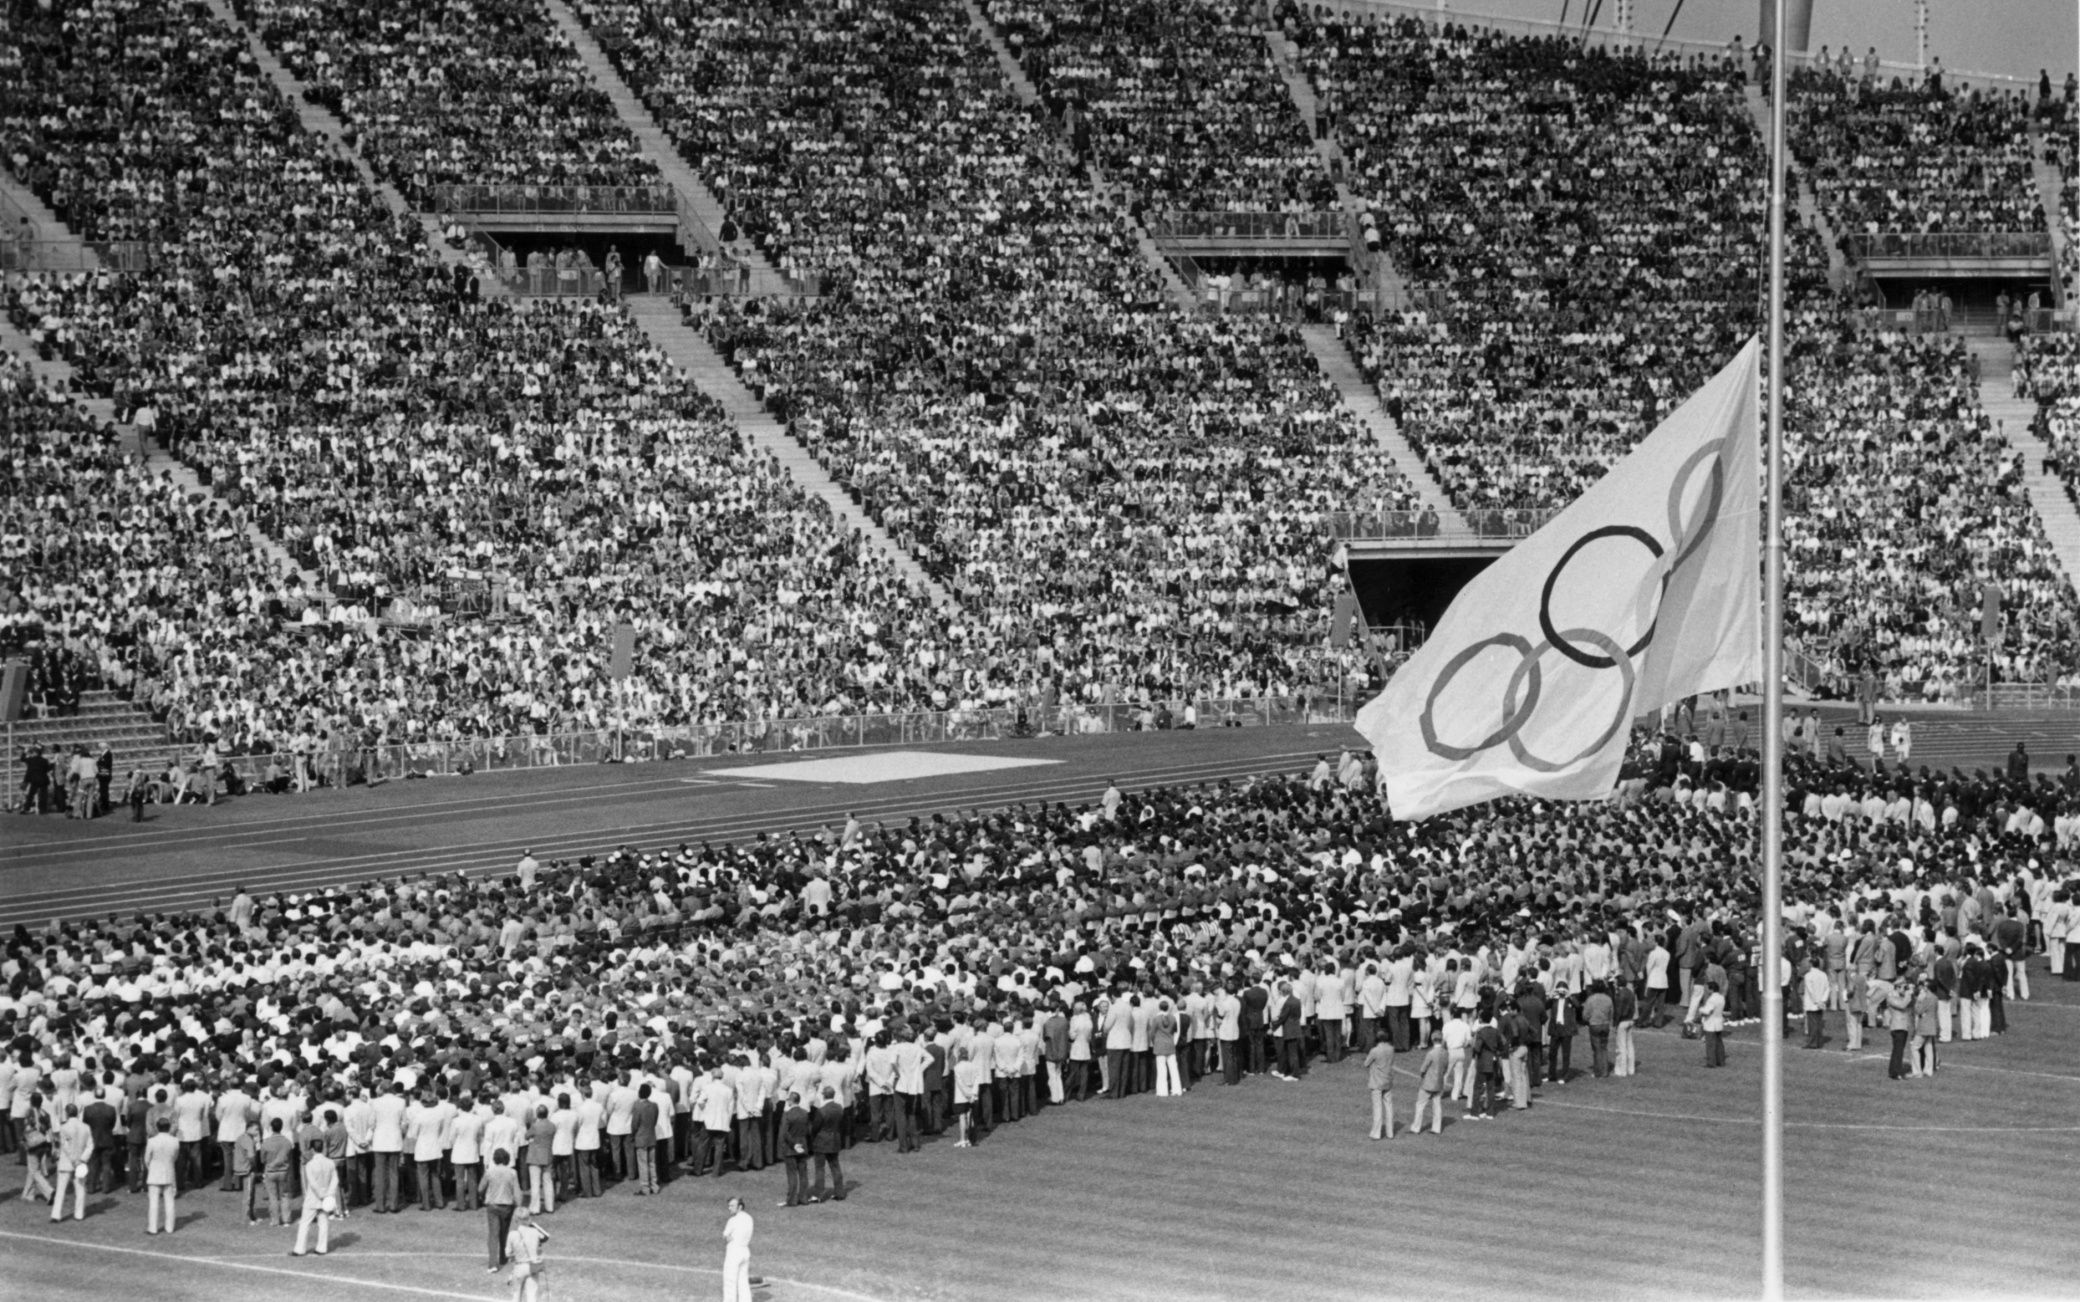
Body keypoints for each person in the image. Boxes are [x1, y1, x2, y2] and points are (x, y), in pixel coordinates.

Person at [294, 1138, 340, 1256]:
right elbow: (335, 1180)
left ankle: (300, 1249)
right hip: (325, 1199)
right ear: (323, 1148)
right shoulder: (330, 1162)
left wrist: (322, 1194)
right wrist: (329, 1194)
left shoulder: (310, 1164)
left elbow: (312, 1183)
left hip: (313, 1198)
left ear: (312, 1150)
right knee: (323, 1223)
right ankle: (321, 1248)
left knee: (305, 1223)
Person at [482, 1147, 523, 1273]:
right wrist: (519, 1206)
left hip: (493, 1205)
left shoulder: (489, 1172)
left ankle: (492, 1264)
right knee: (503, 1232)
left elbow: (480, 1188)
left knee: (493, 1235)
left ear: (494, 1159)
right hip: (507, 1206)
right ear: (507, 1159)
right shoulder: (512, 1173)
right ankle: (503, 1257)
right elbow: (517, 1191)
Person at [49, 1104, 92, 1222]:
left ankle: (56, 1215)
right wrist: (82, 1159)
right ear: (77, 1113)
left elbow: (66, 1146)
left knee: (61, 1189)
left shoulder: (65, 1128)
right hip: (80, 1162)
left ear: (67, 1113)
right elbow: (90, 1145)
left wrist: (75, 1159)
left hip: (67, 1162)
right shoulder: (86, 1127)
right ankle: (79, 1214)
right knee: (80, 1188)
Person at [506, 1204, 550, 1302]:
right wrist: (531, 1224)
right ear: (528, 1217)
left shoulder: (512, 1234)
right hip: (533, 1266)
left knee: (516, 1296)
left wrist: (515, 1254)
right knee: (532, 1296)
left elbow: (507, 1253)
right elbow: (546, 1236)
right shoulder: (535, 1232)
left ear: (515, 1219)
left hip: (520, 1267)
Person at [807, 1086, 844, 1202]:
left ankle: (818, 1194)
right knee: (835, 1167)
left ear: (823, 1095)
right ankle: (840, 1192)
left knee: (819, 1169)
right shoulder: (839, 1108)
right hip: (834, 1141)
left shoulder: (822, 1111)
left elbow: (815, 1128)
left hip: (822, 1142)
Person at [145, 1117, 181, 1234]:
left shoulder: (152, 1141)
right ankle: (170, 1227)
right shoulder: (175, 1141)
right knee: (170, 1201)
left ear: (157, 1127)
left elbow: (146, 1159)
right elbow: (175, 1157)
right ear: (169, 1127)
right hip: (169, 1171)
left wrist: (151, 1167)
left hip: (155, 1172)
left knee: (153, 1202)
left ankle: (153, 1228)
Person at [722, 1196, 754, 1302]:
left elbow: (726, 1237)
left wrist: (728, 1237)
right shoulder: (749, 1218)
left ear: (740, 1207)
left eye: (732, 1206)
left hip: (734, 1253)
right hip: (745, 1252)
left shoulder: (732, 1220)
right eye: (729, 1206)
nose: (729, 1208)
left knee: (729, 1281)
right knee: (743, 1281)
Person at [1411, 1040, 1447, 1135]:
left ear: (1433, 1040)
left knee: (1420, 1105)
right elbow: (1445, 1068)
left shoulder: (1431, 1053)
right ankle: (1436, 1128)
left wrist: (1422, 1074)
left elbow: (1423, 1068)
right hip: (1439, 1082)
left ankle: (1416, 1128)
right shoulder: (1445, 1052)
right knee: (1437, 1105)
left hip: (1428, 1083)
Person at [1363, 1035, 1394, 1141]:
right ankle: (1390, 1133)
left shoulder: (1374, 1050)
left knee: (1377, 1108)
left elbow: (1366, 1063)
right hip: (1388, 1080)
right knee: (1389, 1107)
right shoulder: (1391, 1049)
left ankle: (1376, 1133)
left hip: (1376, 1082)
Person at [1698, 981, 1727, 1069]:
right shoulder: (1721, 997)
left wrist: (1700, 1010)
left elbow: (1707, 1011)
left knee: (1710, 1044)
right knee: (1719, 1043)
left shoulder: (1711, 999)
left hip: (1711, 1023)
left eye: (1707, 988)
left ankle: (1711, 1062)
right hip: (1719, 1022)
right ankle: (1721, 1061)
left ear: (1711, 989)